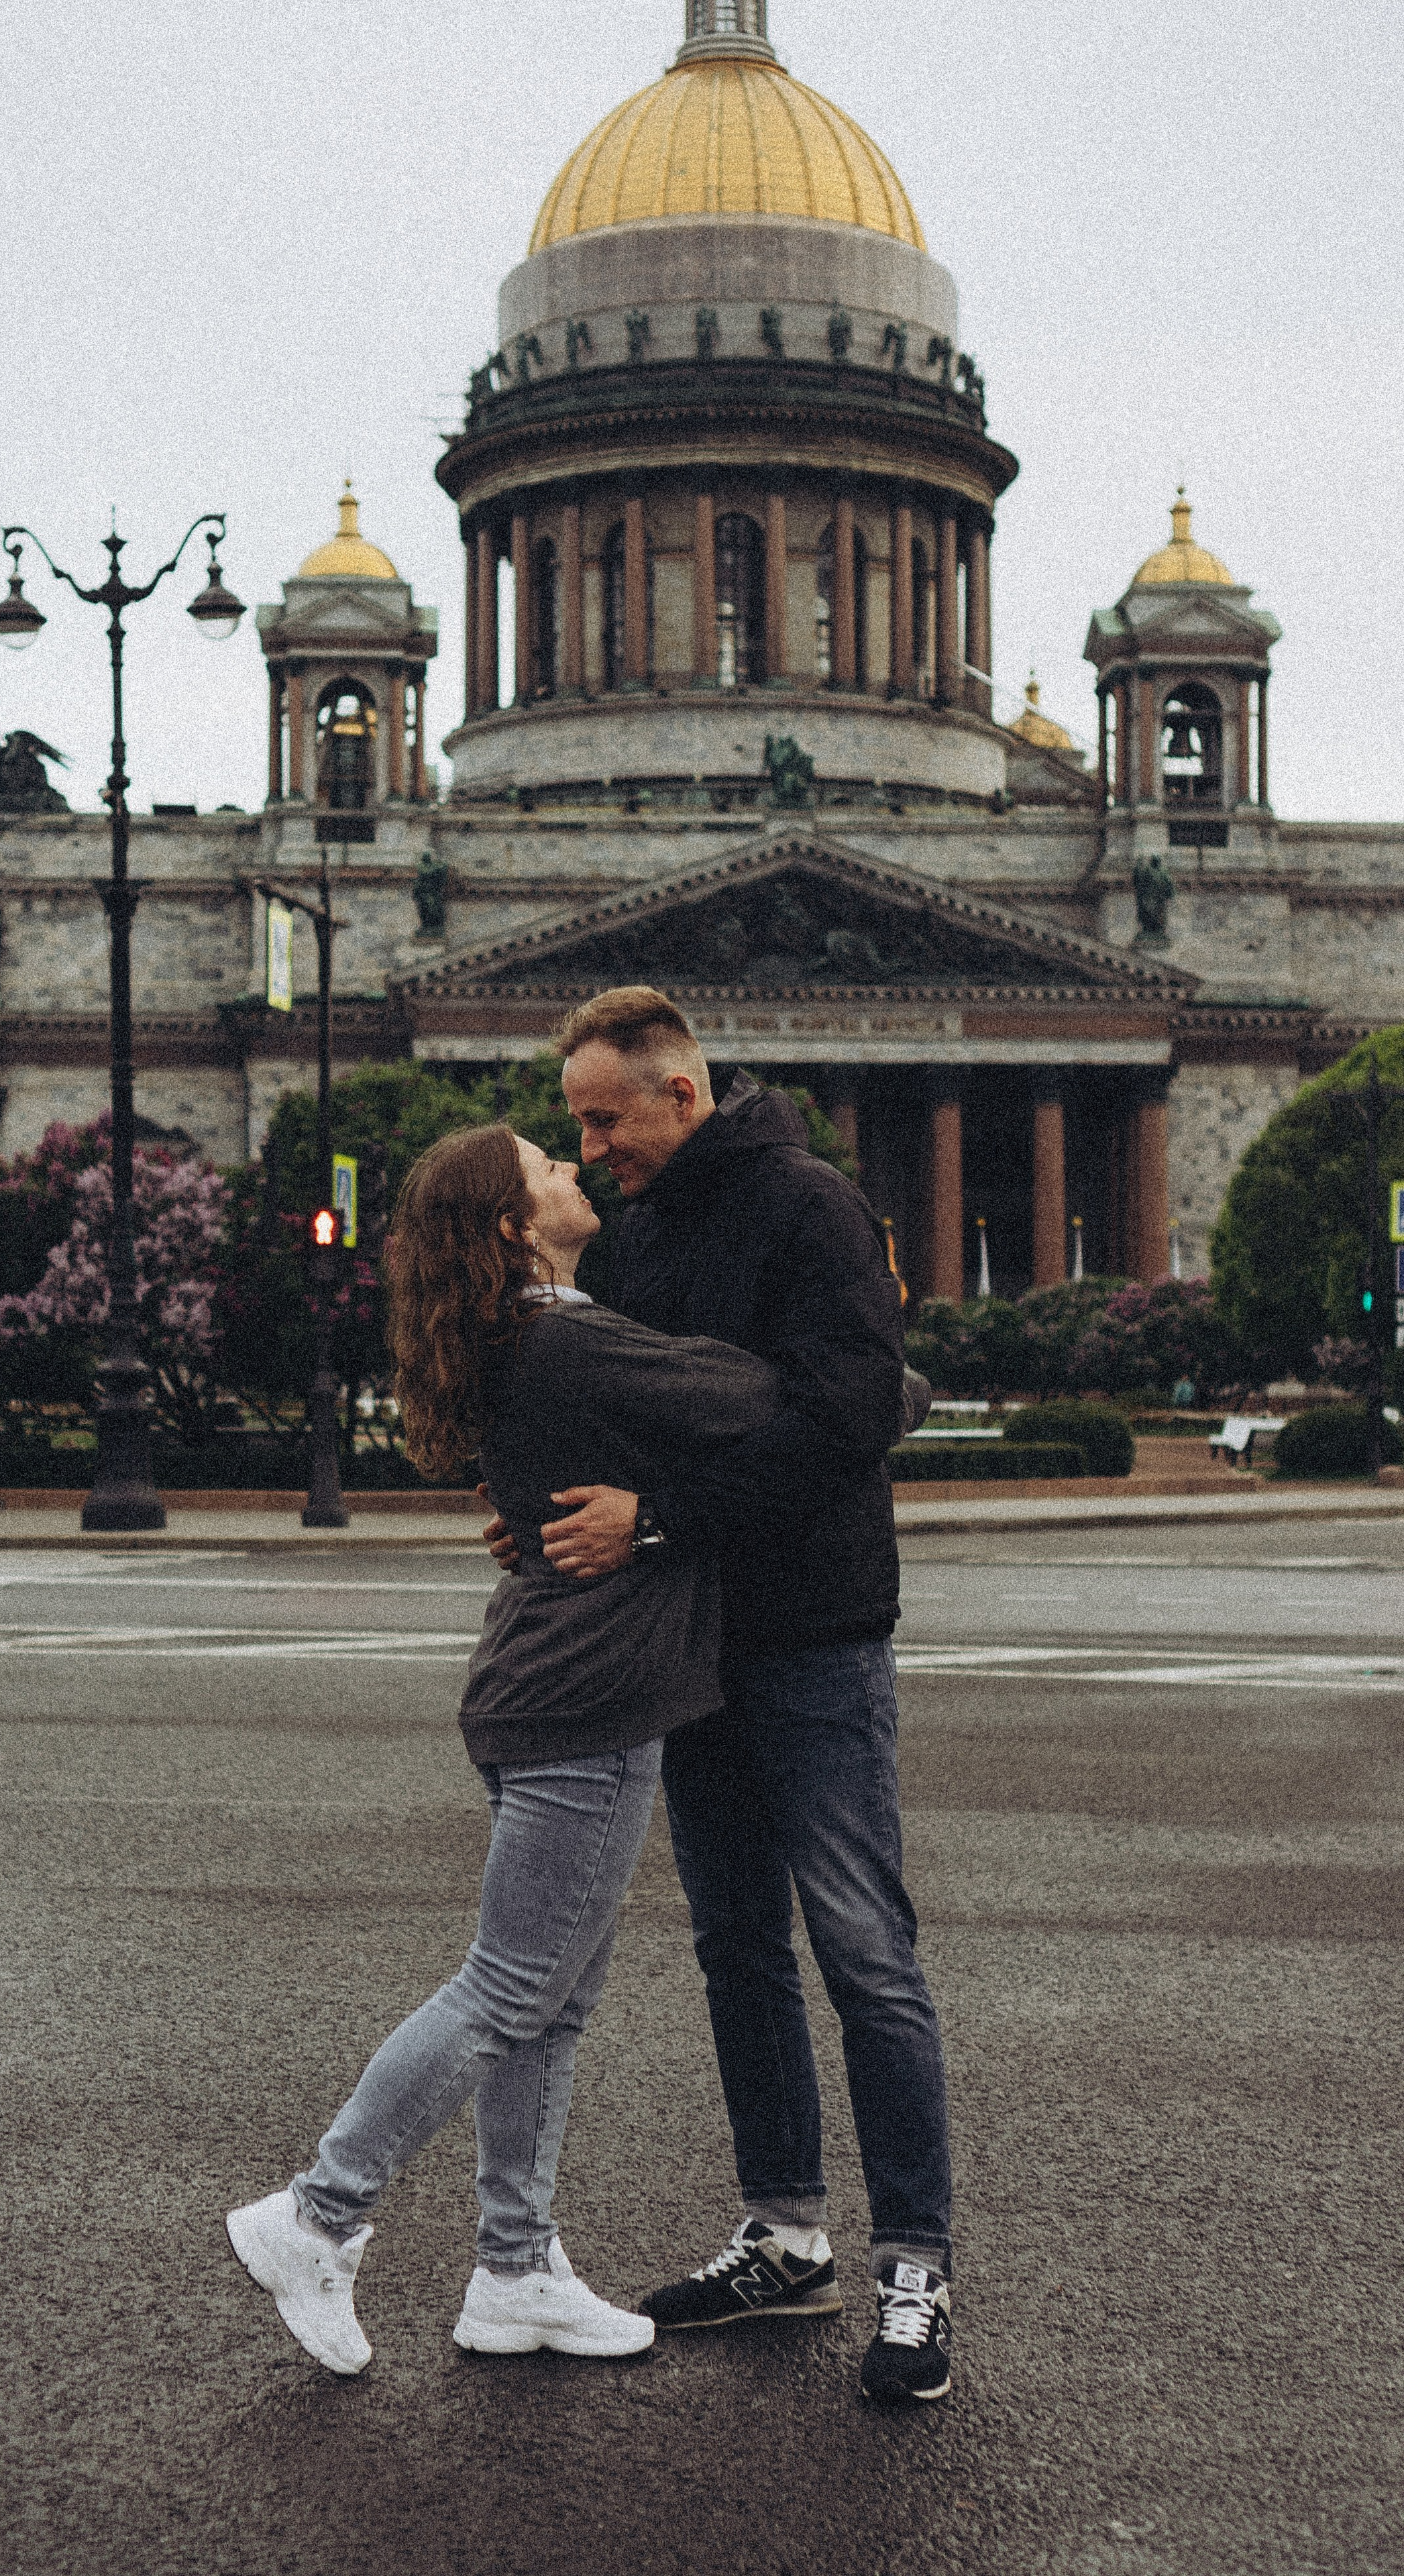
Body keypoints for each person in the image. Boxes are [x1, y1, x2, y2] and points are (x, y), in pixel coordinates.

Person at [225, 1123, 832, 2377]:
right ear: (515, 1226)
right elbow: (788, 1403)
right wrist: (874, 1369)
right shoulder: (573, 1336)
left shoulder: (518, 1338)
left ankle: (516, 2271)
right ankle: (319, 2215)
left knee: (552, 2006)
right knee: (509, 1991)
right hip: (588, 1706)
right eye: (549, 1166)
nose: (574, 1170)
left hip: (544, 1691)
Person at [486, 987, 954, 2404]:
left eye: (601, 1118)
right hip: (690, 1646)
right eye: (575, 1125)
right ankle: (787, 2235)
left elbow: (848, 1414)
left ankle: (913, 2268)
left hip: (810, 1635)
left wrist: (658, 1520)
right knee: (737, 1946)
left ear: (678, 1097)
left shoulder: (808, 1209)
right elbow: (633, 1413)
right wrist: (546, 1510)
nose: (589, 1146)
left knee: (864, 1952)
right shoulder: (636, 1234)